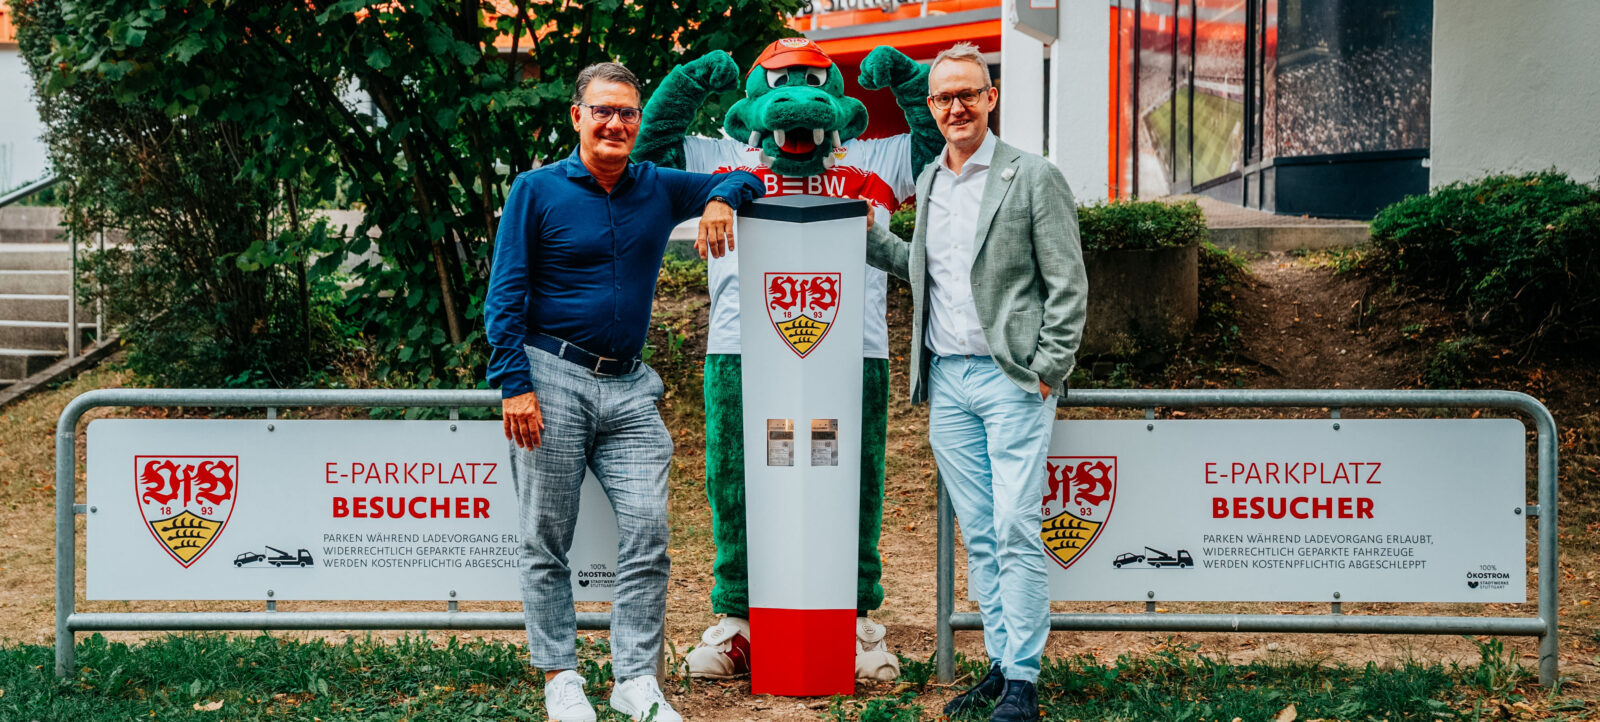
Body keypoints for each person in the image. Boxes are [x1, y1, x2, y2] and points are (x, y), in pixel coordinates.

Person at [485, 61, 763, 722]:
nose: (615, 124)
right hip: (550, 376)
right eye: (603, 111)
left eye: (627, 114)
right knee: (545, 537)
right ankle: (561, 677)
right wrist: (513, 386)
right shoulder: (537, 190)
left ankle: (635, 679)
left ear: (639, 123)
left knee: (649, 531)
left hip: (631, 388)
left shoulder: (656, 186)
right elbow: (505, 293)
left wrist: (723, 198)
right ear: (577, 117)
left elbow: (749, 175)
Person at [861, 43, 1087, 722]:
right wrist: (865, 229)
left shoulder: (1032, 176)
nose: (956, 106)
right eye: (943, 97)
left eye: (968, 93)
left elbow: (1067, 284)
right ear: (931, 108)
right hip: (948, 382)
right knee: (983, 533)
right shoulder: (931, 179)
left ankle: (1023, 680)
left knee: (1017, 526)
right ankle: (999, 661)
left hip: (1012, 379)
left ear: (990, 98)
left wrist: (1048, 369)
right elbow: (922, 268)